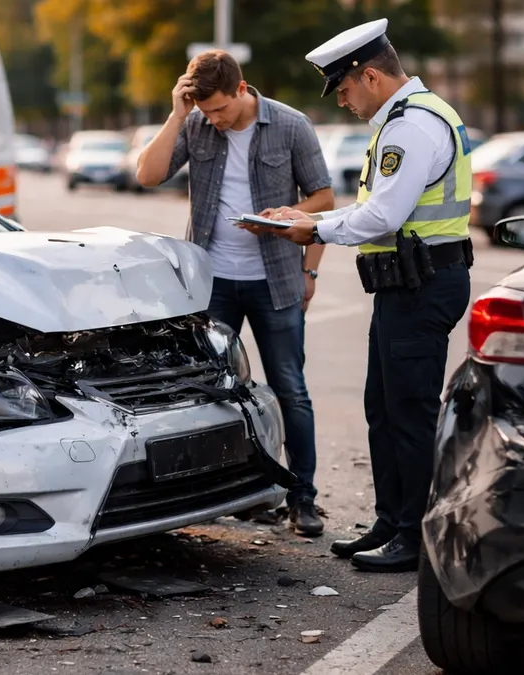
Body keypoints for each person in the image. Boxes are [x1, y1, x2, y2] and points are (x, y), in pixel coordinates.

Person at [249, 19, 474, 571]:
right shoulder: (404, 120)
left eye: (344, 89)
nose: (344, 101)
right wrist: (306, 217)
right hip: (407, 287)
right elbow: (374, 211)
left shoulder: (409, 127)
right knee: (383, 408)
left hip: (421, 287)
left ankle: (416, 537)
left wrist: (312, 230)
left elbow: (384, 216)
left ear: (370, 75)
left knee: (409, 412)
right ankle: (391, 520)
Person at [136, 49, 336, 536]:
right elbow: (146, 175)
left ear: (242, 90)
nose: (216, 120)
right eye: (207, 112)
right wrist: (178, 114)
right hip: (213, 285)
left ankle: (302, 497)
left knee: (290, 389)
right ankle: (242, 494)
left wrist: (305, 261)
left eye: (221, 109)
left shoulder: (291, 126)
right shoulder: (195, 123)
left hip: (276, 281)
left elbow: (324, 200)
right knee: (216, 393)